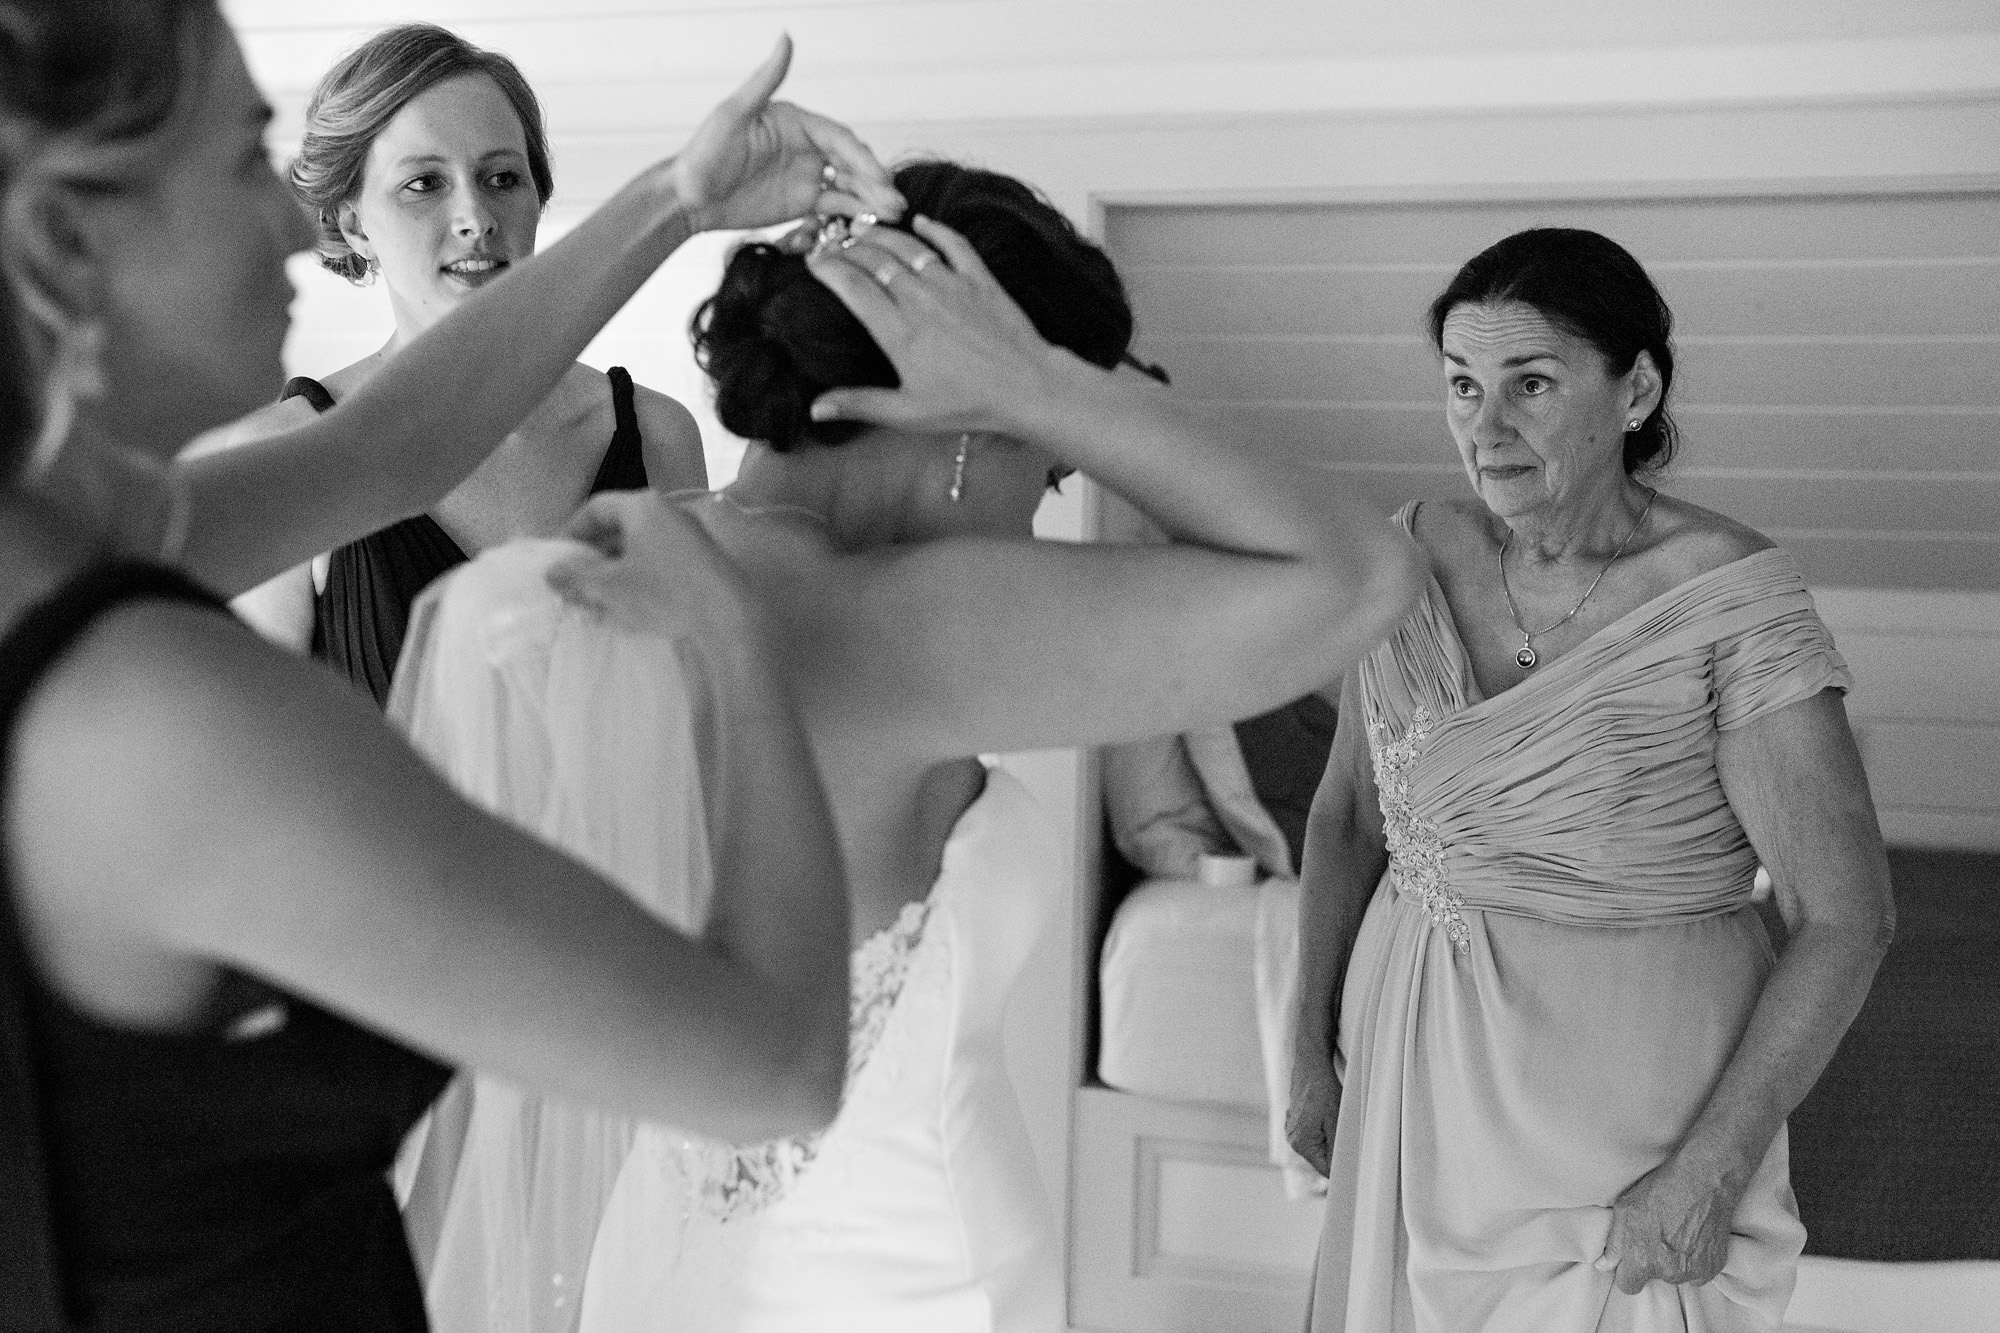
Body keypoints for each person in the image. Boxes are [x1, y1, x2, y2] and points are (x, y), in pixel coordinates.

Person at [387, 161, 1427, 1333]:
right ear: (968, 427)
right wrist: (1041, 384)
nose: (1045, 499)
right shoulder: (902, 620)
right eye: (1048, 461)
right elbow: (1360, 576)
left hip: (659, 1265)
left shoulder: (616, 565)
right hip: (894, 1282)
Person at [0, 0, 902, 1325]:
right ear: (67, 239)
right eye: (248, 157)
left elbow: (390, 450)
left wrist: (682, 195)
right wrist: (730, 632)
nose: (297, 226)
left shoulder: (72, 539)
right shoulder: (154, 710)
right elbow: (771, 1062)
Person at [1284, 227, 1895, 1332]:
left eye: (1530, 384)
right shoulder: (1408, 556)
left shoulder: (1724, 597)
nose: (1485, 426)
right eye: (1461, 387)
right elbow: (1343, 820)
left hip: (1627, 1116)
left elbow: (1846, 917)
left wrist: (1712, 1164)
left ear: (1634, 389)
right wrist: (1304, 1052)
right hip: (1414, 1072)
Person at [230, 24, 708, 704]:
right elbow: (252, 772)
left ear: (538, 197)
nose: (475, 216)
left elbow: (701, 719)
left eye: (502, 178)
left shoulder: (659, 435)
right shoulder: (282, 456)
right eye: (424, 183)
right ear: (354, 223)